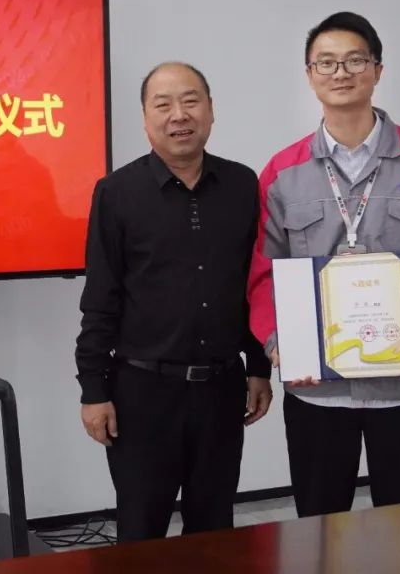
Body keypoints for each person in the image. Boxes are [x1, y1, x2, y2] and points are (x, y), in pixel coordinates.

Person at [247, 12, 400, 517]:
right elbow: (262, 273)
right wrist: (280, 343)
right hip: (318, 394)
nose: (341, 73)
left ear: (377, 70)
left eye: (355, 60)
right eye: (327, 62)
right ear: (310, 74)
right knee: (318, 527)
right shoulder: (282, 172)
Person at [75, 61, 273, 542]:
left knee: (214, 528)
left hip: (221, 388)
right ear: (146, 119)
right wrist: (94, 390)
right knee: (142, 531)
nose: (179, 115)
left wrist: (258, 367)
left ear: (210, 110)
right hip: (143, 392)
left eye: (190, 101)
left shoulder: (242, 185)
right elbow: (101, 296)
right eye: (163, 105)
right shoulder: (116, 193)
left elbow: (252, 285)